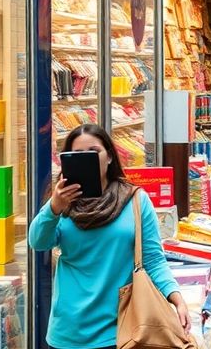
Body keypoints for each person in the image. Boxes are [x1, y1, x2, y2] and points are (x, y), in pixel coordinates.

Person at [30, 124, 188, 348]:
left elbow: (152, 258)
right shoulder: (62, 204)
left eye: (94, 152)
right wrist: (53, 207)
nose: (88, 160)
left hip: (121, 327)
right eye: (78, 155)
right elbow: (38, 241)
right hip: (69, 330)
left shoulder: (135, 200)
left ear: (110, 157)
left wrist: (176, 298)